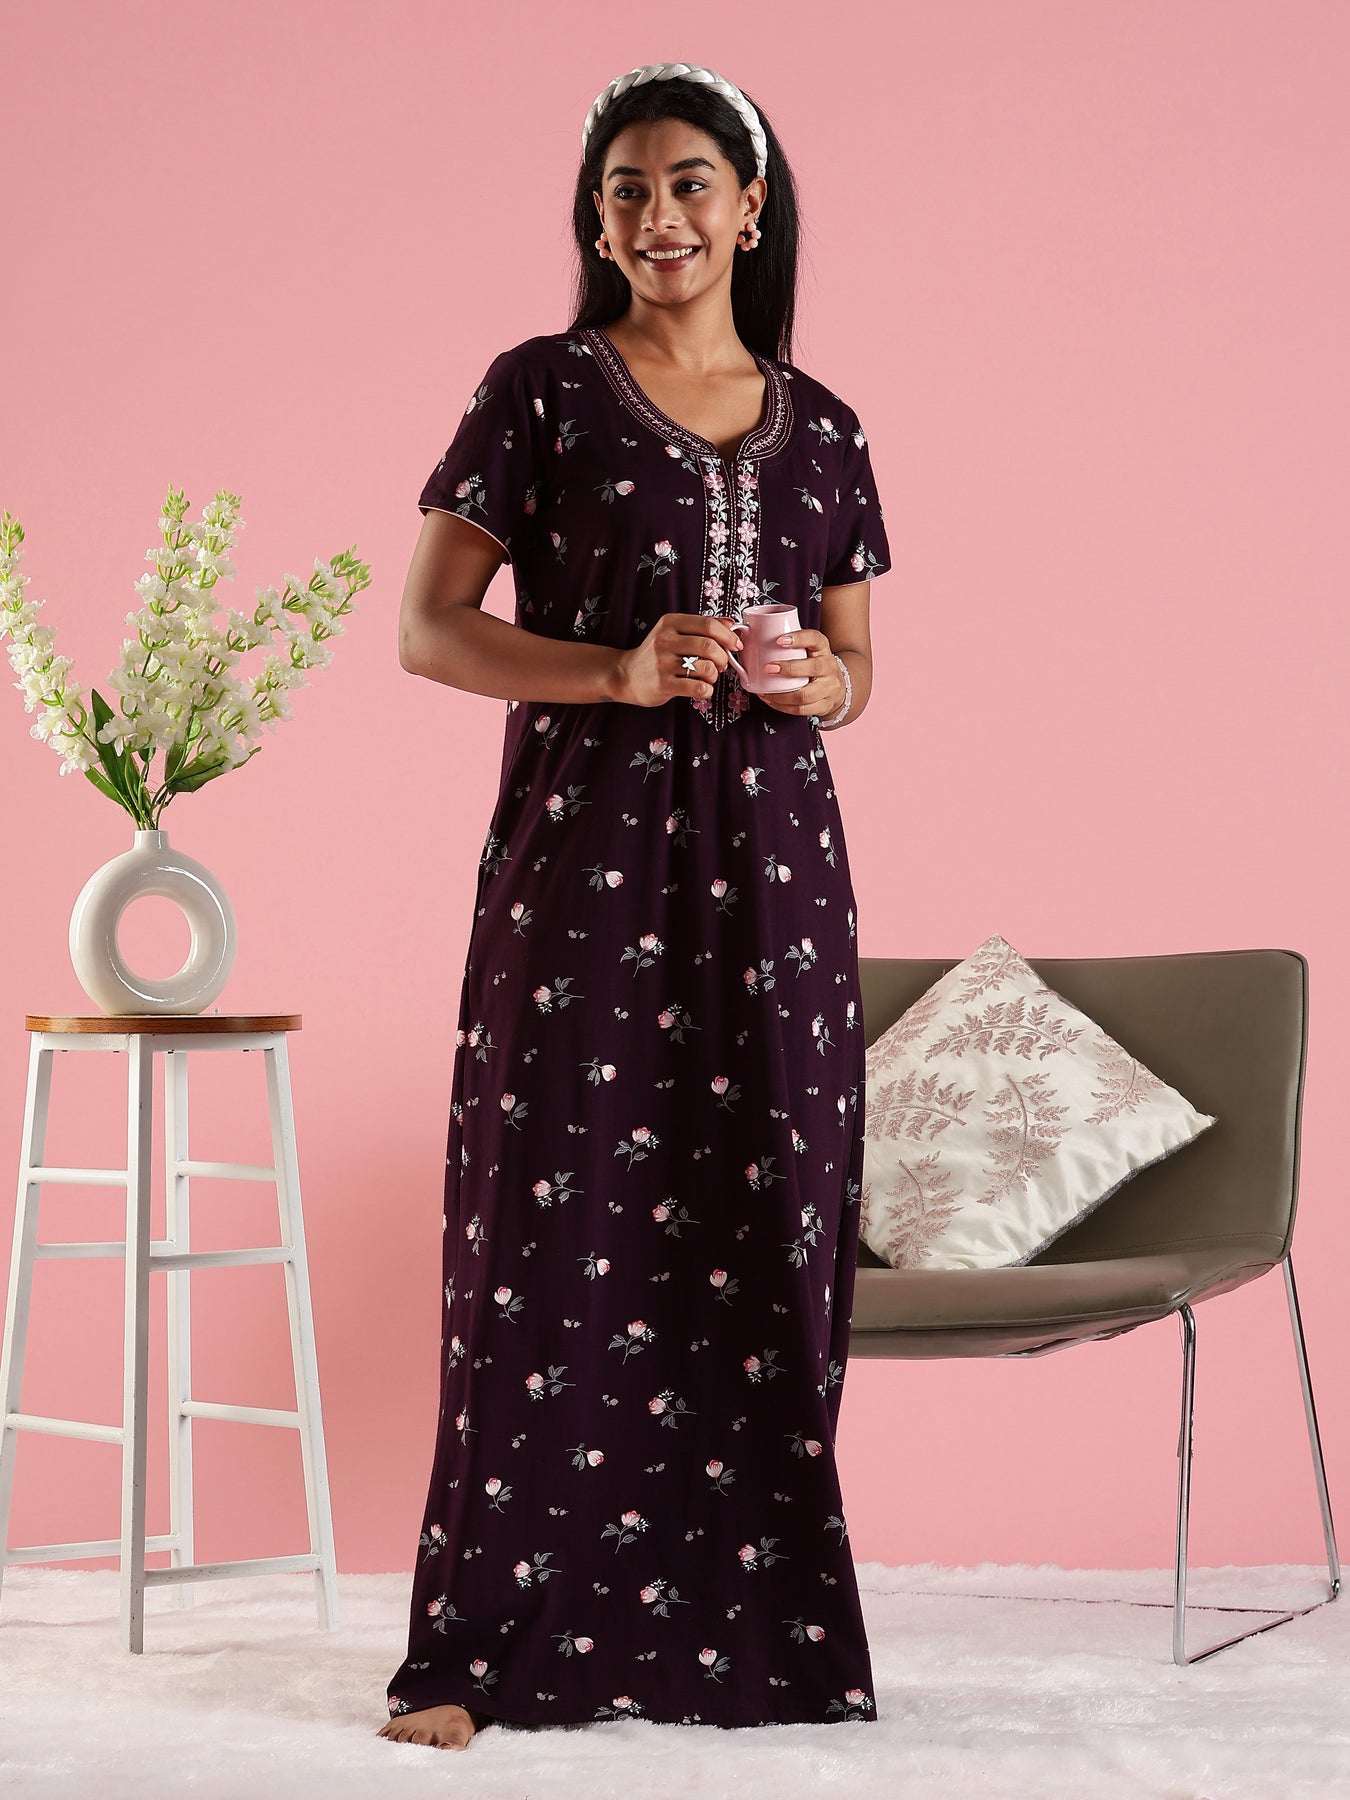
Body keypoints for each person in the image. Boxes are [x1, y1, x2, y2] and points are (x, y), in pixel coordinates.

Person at [378, 61, 892, 1753]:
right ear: (593, 220)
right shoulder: (540, 389)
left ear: (749, 209)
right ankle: (482, 1645)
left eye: (685, 185)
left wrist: (816, 684)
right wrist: (611, 669)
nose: (655, 216)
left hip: (777, 874)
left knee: (766, 1210)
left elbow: (859, 667)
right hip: (587, 855)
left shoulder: (827, 426)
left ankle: (755, 1638)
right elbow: (429, 630)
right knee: (556, 1213)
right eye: (623, 190)